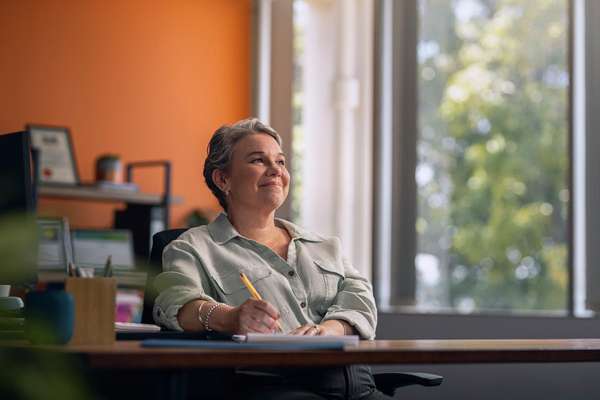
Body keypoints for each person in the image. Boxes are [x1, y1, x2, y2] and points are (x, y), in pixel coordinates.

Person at [153, 118, 392, 400]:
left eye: (280, 161)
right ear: (223, 179)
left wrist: (329, 329)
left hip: (359, 384)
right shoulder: (192, 247)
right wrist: (230, 318)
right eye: (258, 160)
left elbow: (361, 300)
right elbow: (174, 303)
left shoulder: (326, 246)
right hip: (277, 385)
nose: (275, 170)